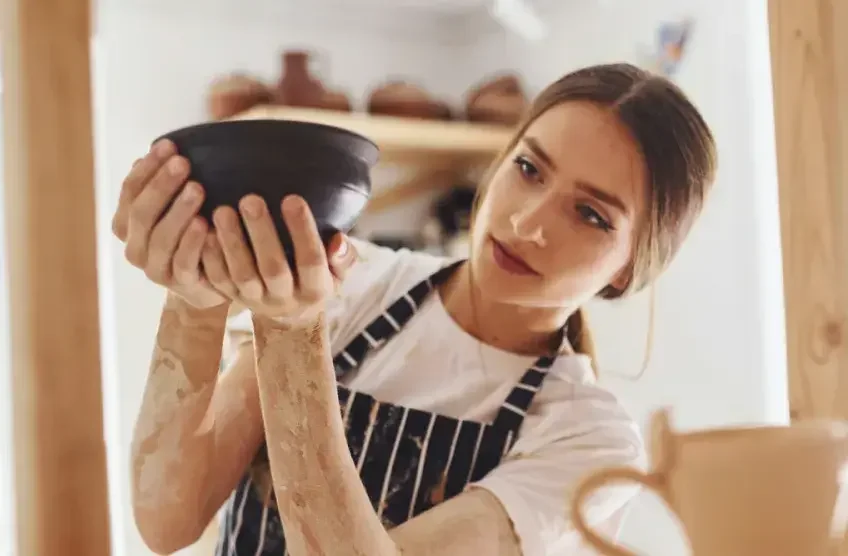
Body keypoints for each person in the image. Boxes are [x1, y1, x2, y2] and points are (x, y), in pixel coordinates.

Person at [113, 63, 717, 556]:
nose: (527, 222)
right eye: (529, 169)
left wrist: (296, 335)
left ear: (629, 270)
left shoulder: (591, 443)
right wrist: (194, 304)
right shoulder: (358, 282)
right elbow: (167, 519)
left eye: (591, 215)